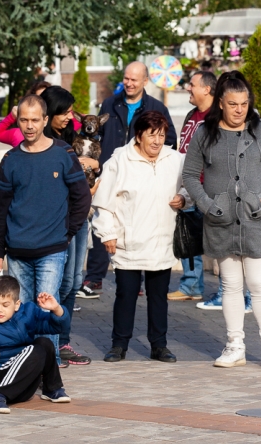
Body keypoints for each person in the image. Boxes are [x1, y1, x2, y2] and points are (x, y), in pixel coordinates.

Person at [182, 71, 261, 370]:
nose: (240, 109)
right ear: (220, 103)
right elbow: (190, 175)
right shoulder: (204, 133)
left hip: (255, 219)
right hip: (221, 220)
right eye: (233, 104)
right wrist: (206, 204)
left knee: (258, 283)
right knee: (230, 285)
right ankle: (234, 346)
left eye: (244, 103)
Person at [0, 94, 90, 366]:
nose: (30, 125)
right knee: (20, 311)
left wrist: (67, 233)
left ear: (45, 120)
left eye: (35, 120)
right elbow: (1, 207)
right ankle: (21, 362)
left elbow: (82, 197)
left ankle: (50, 363)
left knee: (46, 308)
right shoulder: (11, 159)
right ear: (18, 122)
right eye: (24, 120)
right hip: (18, 250)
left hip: (52, 249)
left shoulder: (63, 154)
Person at [92, 111, 188, 364]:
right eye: (151, 135)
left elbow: (189, 185)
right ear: (139, 135)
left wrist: (184, 198)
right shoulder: (120, 160)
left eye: (162, 135)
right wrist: (108, 233)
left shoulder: (175, 159)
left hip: (162, 239)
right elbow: (104, 201)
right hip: (128, 241)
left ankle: (159, 345)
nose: (157, 141)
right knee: (126, 295)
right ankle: (119, 344)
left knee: (159, 296)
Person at [81, 61, 177, 298]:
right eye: (126, 78)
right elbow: (98, 137)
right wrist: (95, 162)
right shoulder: (110, 103)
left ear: (145, 81)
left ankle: (139, 278)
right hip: (110, 171)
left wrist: (147, 156)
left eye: (134, 80)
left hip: (141, 173)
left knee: (139, 223)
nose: (129, 83)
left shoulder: (156, 107)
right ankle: (95, 278)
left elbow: (170, 138)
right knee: (104, 220)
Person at [0, 276, 71, 414]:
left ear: (17, 304)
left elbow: (57, 328)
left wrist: (56, 309)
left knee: (45, 343)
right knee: (34, 350)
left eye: (5, 305)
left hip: (22, 386)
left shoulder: (28, 313)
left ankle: (52, 389)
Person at [40, 86, 94, 366]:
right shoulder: (44, 142)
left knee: (73, 282)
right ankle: (50, 346)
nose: (70, 116)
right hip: (58, 222)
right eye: (65, 112)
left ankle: (63, 341)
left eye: (71, 111)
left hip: (79, 218)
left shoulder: (74, 137)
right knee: (59, 284)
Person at [168, 71, 216, 303]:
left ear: (207, 89)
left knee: (218, 240)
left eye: (192, 84)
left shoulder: (216, 116)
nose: (188, 87)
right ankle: (191, 286)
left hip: (209, 187)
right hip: (188, 185)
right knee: (187, 237)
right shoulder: (191, 115)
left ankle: (231, 291)